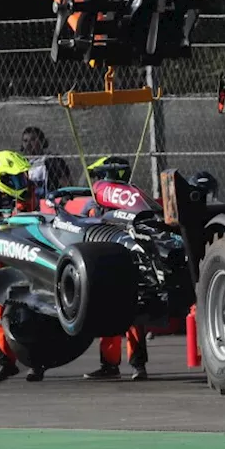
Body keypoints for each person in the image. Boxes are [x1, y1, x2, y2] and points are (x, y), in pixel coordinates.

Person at [76, 156, 149, 381]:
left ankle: (137, 365)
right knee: (107, 315)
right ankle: (110, 365)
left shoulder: (134, 198)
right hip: (105, 264)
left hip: (129, 260)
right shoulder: (96, 204)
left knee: (133, 313)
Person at [0, 150, 48, 384]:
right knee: (0, 315)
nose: (22, 182)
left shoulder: (30, 193)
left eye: (23, 176)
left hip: (27, 256)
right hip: (0, 259)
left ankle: (36, 363)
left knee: (34, 308)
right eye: (15, 178)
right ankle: (5, 363)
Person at [21, 126, 72, 197]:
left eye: (33, 140)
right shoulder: (20, 163)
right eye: (25, 141)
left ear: (42, 141)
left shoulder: (53, 160)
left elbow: (67, 185)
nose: (28, 144)